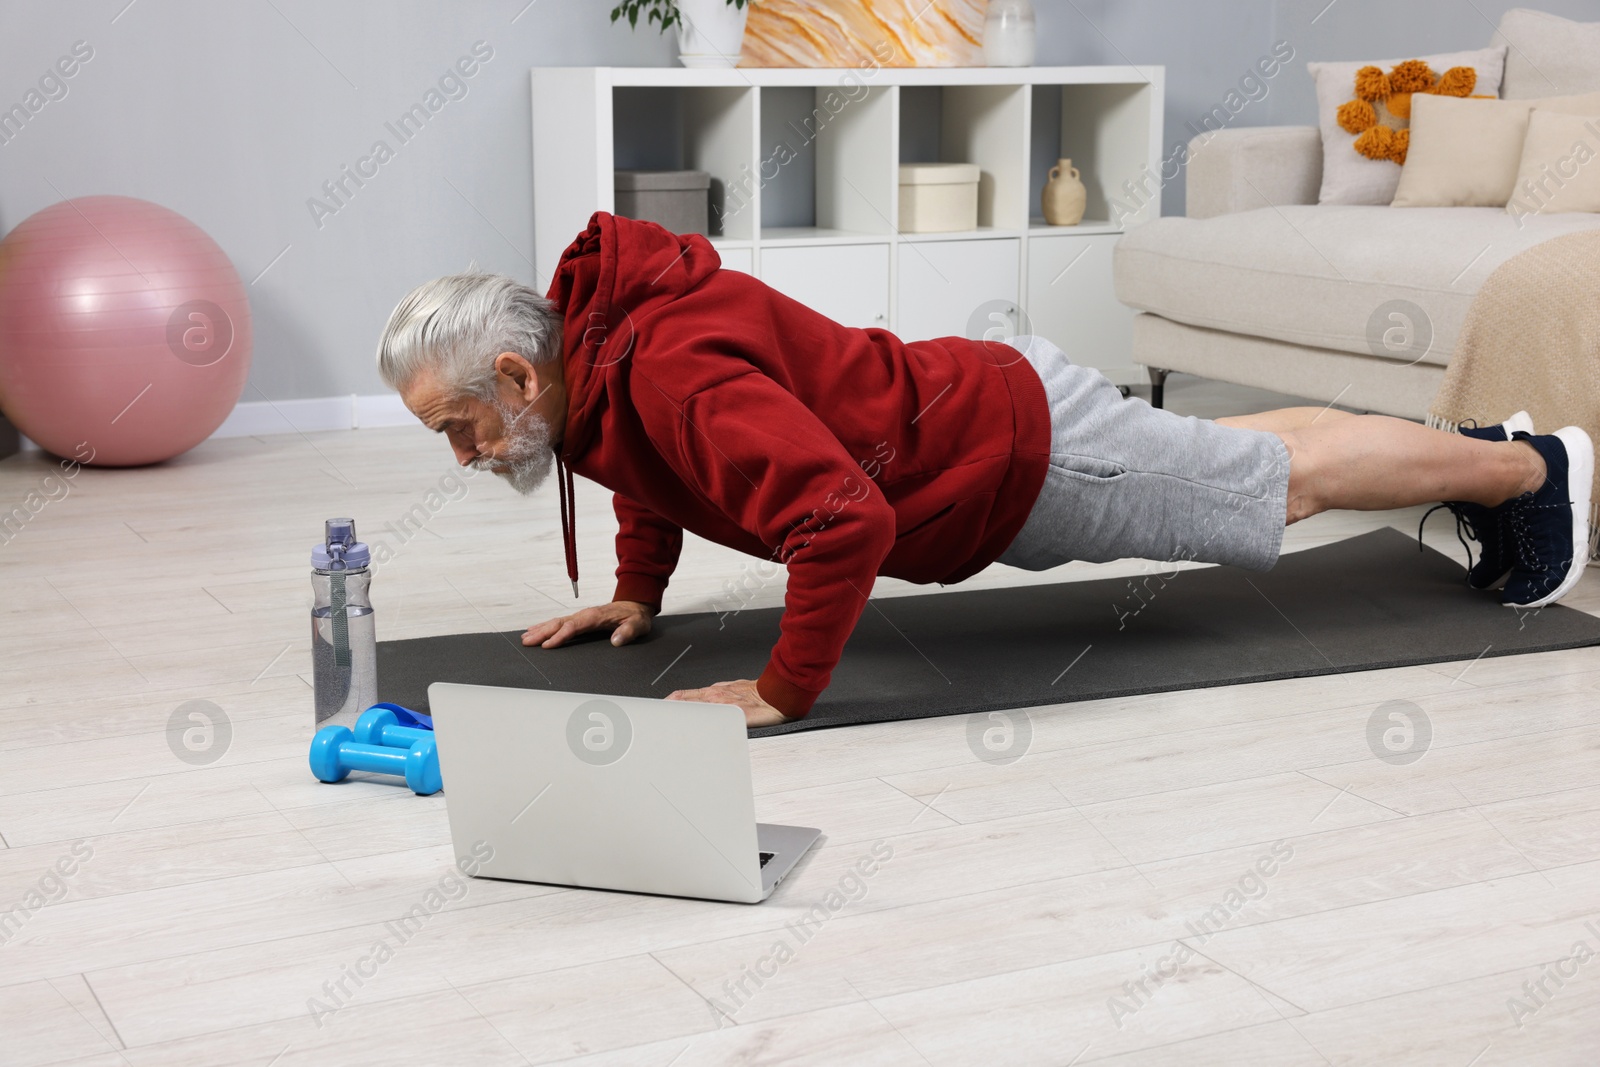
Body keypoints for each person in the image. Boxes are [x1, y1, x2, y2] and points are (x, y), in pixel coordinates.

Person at [376, 213, 1593, 727]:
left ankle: (1529, 475)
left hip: (1010, 455)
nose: (463, 452)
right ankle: (1480, 453)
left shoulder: (666, 371)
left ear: (516, 374)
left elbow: (840, 520)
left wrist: (782, 688)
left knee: (1276, 483)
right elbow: (643, 469)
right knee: (1245, 459)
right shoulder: (599, 358)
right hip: (982, 410)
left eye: (458, 423)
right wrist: (639, 590)